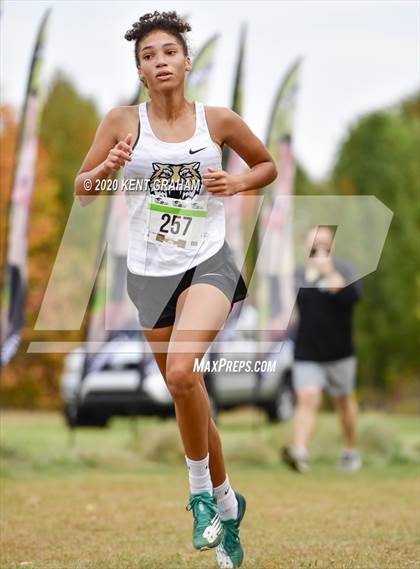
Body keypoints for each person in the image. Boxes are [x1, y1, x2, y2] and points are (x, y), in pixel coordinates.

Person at [74, 11, 277, 568]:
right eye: (147, 56)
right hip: (147, 273)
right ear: (139, 70)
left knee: (185, 373)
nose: (159, 61)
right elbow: (84, 191)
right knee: (188, 396)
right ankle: (229, 504)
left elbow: (267, 165)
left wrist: (236, 182)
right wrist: (108, 168)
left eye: (168, 52)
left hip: (208, 263)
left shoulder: (218, 121)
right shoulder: (121, 123)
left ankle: (198, 498)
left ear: (186, 62)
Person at [282, 226, 363, 473]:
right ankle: (300, 452)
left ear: (332, 246)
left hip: (340, 352)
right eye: (314, 243)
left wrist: (328, 271)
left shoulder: (345, 269)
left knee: (344, 401)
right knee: (307, 399)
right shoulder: (298, 274)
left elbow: (354, 296)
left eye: (324, 243)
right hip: (307, 351)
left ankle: (349, 451)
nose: (319, 247)